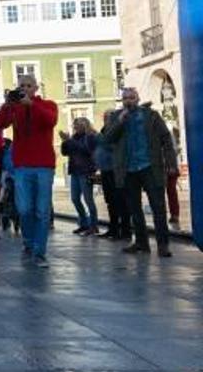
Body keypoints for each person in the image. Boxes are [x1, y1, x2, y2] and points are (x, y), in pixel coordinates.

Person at [103, 87, 178, 258]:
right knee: (134, 209)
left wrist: (171, 162)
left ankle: (163, 245)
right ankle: (142, 243)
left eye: (131, 97)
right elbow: (107, 140)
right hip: (128, 169)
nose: (128, 100)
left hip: (150, 167)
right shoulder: (116, 117)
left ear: (137, 99)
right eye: (125, 98)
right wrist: (120, 121)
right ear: (122, 101)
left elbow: (166, 139)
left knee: (158, 207)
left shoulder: (151, 116)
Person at [0, 75, 58, 268]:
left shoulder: (48, 104)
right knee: (24, 209)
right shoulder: (14, 107)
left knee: (42, 210)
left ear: (36, 88)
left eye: (29, 86)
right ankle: (29, 242)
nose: (25, 88)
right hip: (22, 166)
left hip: (44, 166)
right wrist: (7, 105)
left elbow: (50, 121)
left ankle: (39, 252)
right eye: (22, 86)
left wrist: (31, 104)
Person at [95, 110, 132, 240]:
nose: (106, 119)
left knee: (121, 201)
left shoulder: (118, 130)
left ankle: (126, 231)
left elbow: (113, 146)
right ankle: (113, 229)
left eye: (109, 117)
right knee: (110, 201)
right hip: (106, 170)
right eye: (104, 117)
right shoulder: (104, 129)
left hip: (117, 169)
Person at [60, 117, 99, 236]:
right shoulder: (73, 138)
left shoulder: (91, 137)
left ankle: (93, 225)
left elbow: (86, 150)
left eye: (77, 125)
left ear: (85, 125)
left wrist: (70, 141)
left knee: (88, 200)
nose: (75, 127)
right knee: (75, 199)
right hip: (75, 172)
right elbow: (65, 153)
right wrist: (64, 141)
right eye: (74, 125)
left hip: (86, 171)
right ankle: (84, 223)